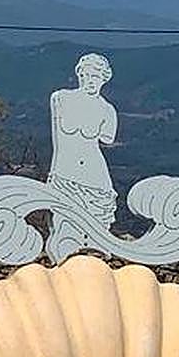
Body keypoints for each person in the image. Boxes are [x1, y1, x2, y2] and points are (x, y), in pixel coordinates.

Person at [47, 53, 117, 233]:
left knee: (98, 226)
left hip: (95, 174)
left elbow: (107, 139)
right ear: (79, 75)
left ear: (104, 78)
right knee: (62, 223)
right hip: (65, 171)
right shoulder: (61, 98)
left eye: (95, 76)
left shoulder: (108, 110)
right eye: (85, 75)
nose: (89, 80)